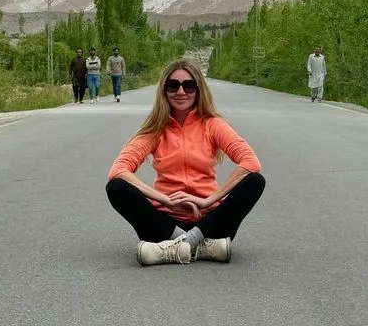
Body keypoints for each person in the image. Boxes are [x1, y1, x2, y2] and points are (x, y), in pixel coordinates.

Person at [105, 59, 265, 266]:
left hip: (210, 221)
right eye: (173, 85)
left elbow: (251, 162)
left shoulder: (213, 125)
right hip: (164, 222)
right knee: (116, 188)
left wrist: (208, 201)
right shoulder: (156, 130)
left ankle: (172, 248)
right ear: (164, 90)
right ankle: (203, 247)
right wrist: (165, 200)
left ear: (198, 90)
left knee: (255, 181)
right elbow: (118, 171)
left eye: (188, 85)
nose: (181, 91)